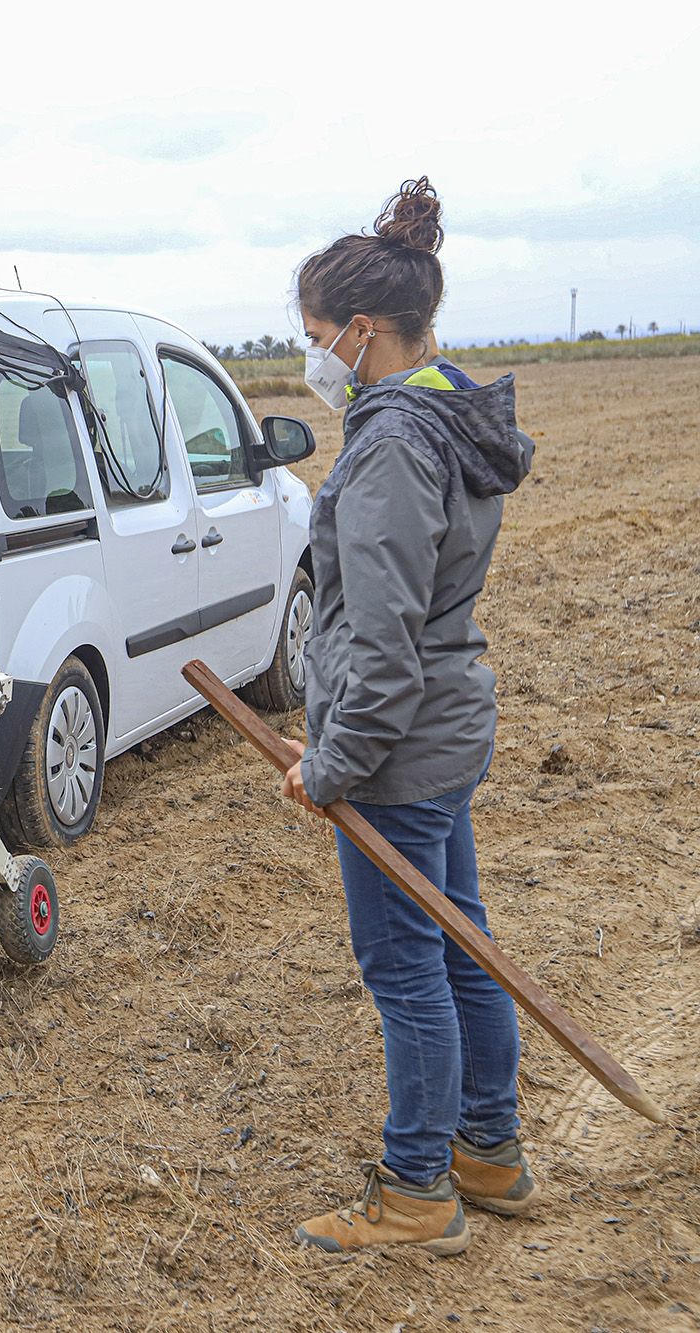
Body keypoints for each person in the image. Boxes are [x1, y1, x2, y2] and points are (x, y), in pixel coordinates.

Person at [279, 178, 538, 1257]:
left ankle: (418, 1188)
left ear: (362, 331)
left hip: (398, 746)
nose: (309, 356)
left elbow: (380, 644)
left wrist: (330, 764)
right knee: (459, 939)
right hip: (439, 729)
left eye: (311, 337)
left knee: (407, 967)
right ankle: (486, 1147)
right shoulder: (444, 408)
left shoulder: (388, 444)